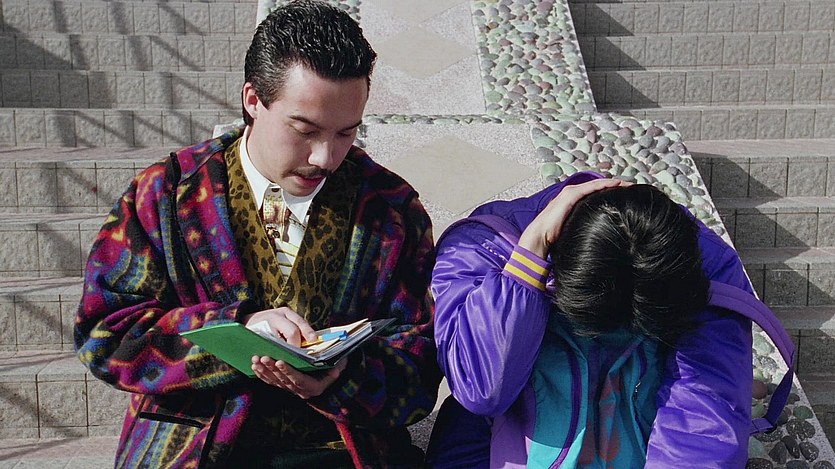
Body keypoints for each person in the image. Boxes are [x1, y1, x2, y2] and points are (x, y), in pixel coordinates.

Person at [74, 1, 441, 467]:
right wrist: (234, 330)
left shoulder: (391, 209)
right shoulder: (165, 194)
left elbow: (421, 368)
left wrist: (343, 377)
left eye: (346, 133)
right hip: (193, 447)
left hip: (341, 451)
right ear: (253, 100)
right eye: (304, 130)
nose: (325, 157)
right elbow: (105, 335)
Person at [426, 171, 758, 468]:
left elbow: (703, 413)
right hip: (497, 437)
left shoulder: (702, 265)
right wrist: (526, 264)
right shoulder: (481, 247)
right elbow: (482, 391)